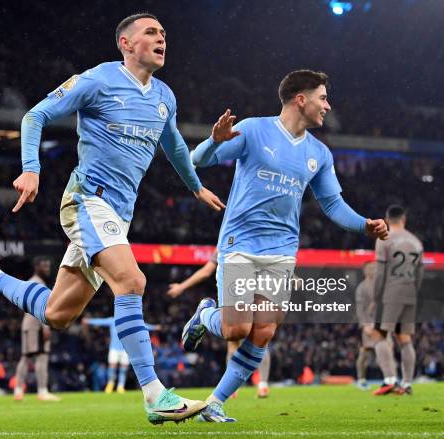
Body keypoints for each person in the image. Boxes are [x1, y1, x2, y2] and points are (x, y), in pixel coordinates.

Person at [0, 13, 224, 424]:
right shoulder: (97, 80)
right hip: (88, 200)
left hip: (117, 215)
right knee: (132, 280)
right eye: (151, 32)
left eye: (163, 33)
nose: (161, 38)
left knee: (58, 314)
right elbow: (33, 116)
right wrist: (31, 168)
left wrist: (196, 187)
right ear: (126, 44)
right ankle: (154, 395)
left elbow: (175, 145)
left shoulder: (164, 96)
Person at [181, 70, 389, 422]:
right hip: (241, 241)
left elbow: (332, 204)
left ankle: (215, 402)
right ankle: (204, 315)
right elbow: (198, 160)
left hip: (281, 249)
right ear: (301, 98)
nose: (328, 105)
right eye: (322, 98)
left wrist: (363, 225)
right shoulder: (254, 129)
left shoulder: (319, 153)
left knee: (262, 332)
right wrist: (214, 141)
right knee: (236, 329)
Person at [167, 249, 271, 398]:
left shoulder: (234, 240)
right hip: (245, 292)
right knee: (252, 338)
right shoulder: (238, 241)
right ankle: (258, 385)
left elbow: (206, 271)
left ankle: (247, 387)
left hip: (247, 291)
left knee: (248, 339)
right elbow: (206, 271)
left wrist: (181, 287)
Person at [371, 205, 424, 396]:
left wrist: (375, 297)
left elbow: (379, 273)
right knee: (405, 339)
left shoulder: (384, 238)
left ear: (387, 219)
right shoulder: (416, 242)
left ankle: (390, 379)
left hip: (390, 293)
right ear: (404, 219)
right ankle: (407, 383)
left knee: (378, 335)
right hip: (410, 292)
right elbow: (420, 274)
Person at [14, 257, 60, 402]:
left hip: (27, 323)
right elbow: (40, 307)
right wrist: (45, 326)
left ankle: (18, 390)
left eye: (48, 266)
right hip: (37, 325)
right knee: (42, 356)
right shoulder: (39, 283)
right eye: (44, 266)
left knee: (26, 357)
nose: (47, 269)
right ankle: (42, 391)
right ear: (36, 267)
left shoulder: (28, 281)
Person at [82, 316, 160, 394]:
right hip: (114, 349)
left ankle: (120, 386)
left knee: (123, 369)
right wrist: (89, 321)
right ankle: (110, 384)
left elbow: (142, 326)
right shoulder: (113, 321)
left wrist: (154, 327)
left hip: (125, 349)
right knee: (112, 367)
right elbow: (101, 321)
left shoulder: (129, 322)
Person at [354, 261, 376, 390]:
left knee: (386, 350)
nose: (373, 270)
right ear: (365, 271)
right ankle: (361, 379)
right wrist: (365, 324)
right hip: (368, 325)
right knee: (365, 353)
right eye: (370, 268)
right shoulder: (361, 288)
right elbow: (360, 308)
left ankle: (390, 379)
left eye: (374, 268)